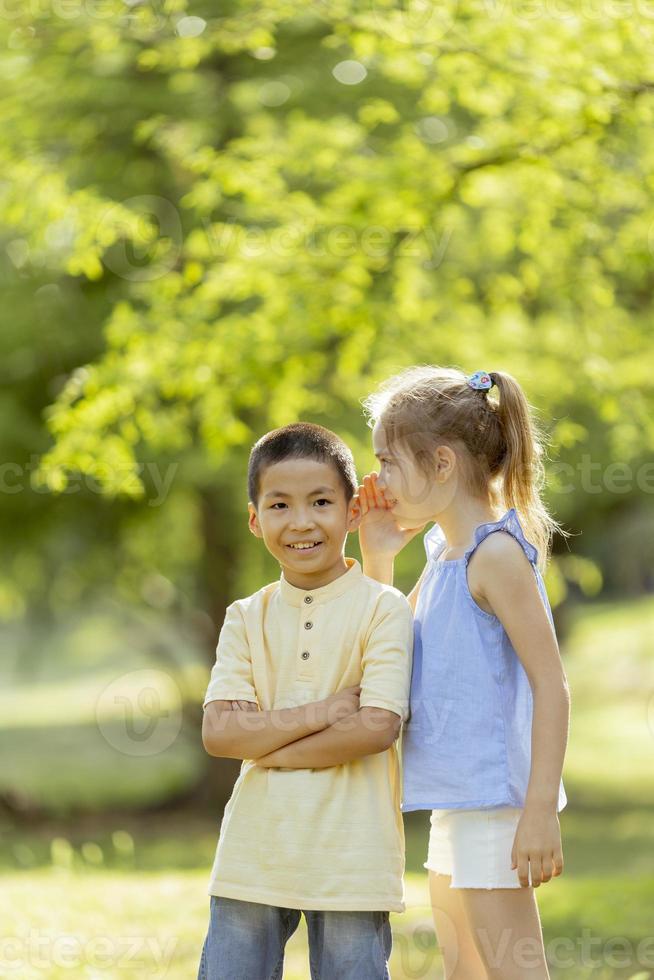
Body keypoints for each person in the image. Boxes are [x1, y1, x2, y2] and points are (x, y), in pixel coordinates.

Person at [354, 366, 570, 980]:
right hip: (456, 801)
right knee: (465, 973)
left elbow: (551, 684)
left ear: (443, 464)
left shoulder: (494, 555)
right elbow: (391, 645)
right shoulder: (443, 553)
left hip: (496, 802)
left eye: (389, 462)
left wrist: (538, 810)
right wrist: (377, 556)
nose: (378, 480)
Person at [197, 421, 414, 980]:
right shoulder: (246, 617)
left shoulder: (382, 608)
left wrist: (266, 745)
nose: (300, 522)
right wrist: (326, 711)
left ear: (350, 512)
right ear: (254, 519)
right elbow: (220, 734)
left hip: (353, 857)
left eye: (320, 501)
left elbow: (376, 728)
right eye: (279, 505)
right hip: (253, 851)